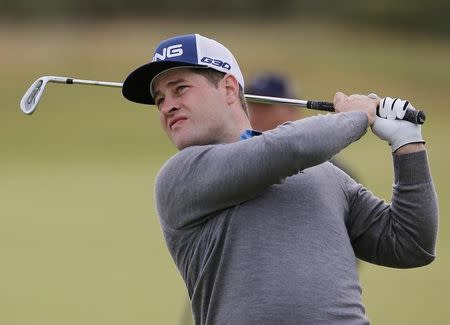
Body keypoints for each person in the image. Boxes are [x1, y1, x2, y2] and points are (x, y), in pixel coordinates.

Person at [121, 34, 438, 325]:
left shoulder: (327, 173)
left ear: (229, 88)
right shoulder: (182, 175)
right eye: (160, 99)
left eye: (179, 89)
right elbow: (287, 147)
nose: (167, 106)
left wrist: (407, 143)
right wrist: (356, 115)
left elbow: (410, 244)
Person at [246, 72, 359, 177]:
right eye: (251, 107)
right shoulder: (243, 160)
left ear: (292, 110)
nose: (254, 115)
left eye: (265, 108)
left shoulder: (335, 172)